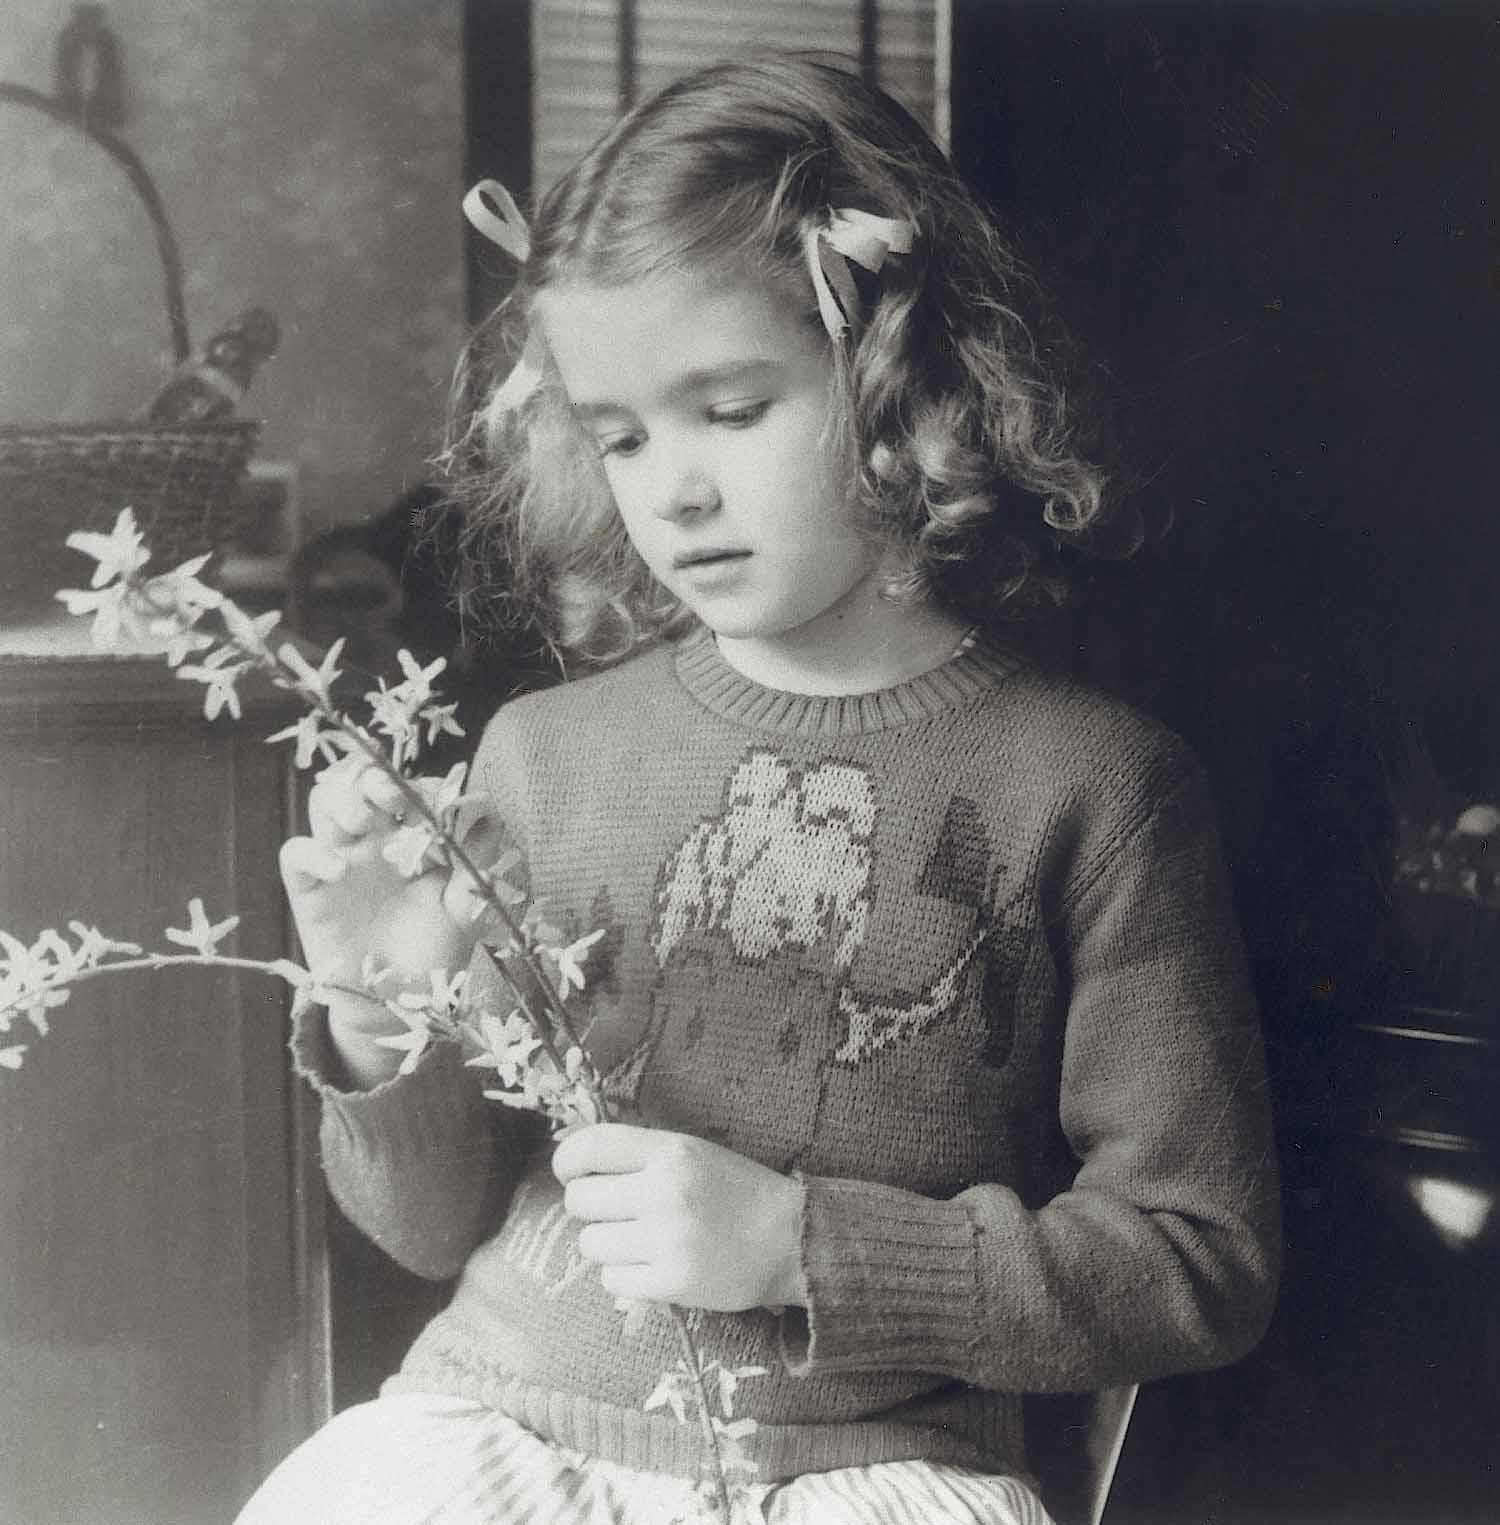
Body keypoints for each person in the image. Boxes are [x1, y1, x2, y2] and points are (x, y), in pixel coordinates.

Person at [239, 52, 1280, 1525]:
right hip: (502, 1436)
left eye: (729, 409)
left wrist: (807, 1246)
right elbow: (423, 1231)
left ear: (900, 383)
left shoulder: (1096, 786)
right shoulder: (540, 752)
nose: (668, 490)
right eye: (619, 433)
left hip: (863, 1474)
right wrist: (375, 1010)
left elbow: (1196, 1262)